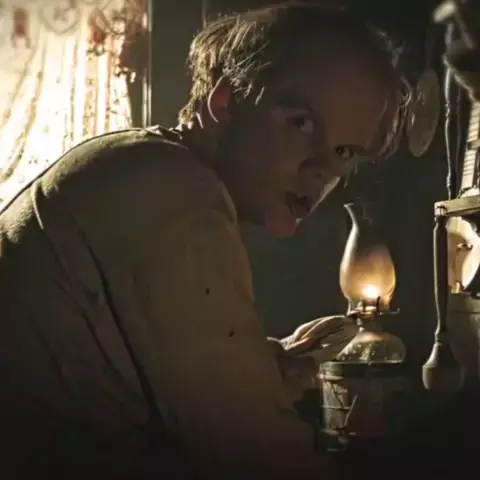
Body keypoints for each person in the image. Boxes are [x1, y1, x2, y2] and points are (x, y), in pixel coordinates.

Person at [0, 3, 406, 478]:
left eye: (344, 151)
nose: (324, 168)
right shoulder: (168, 190)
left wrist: (265, 368)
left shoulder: (143, 162)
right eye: (302, 123)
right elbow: (254, 456)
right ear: (226, 102)